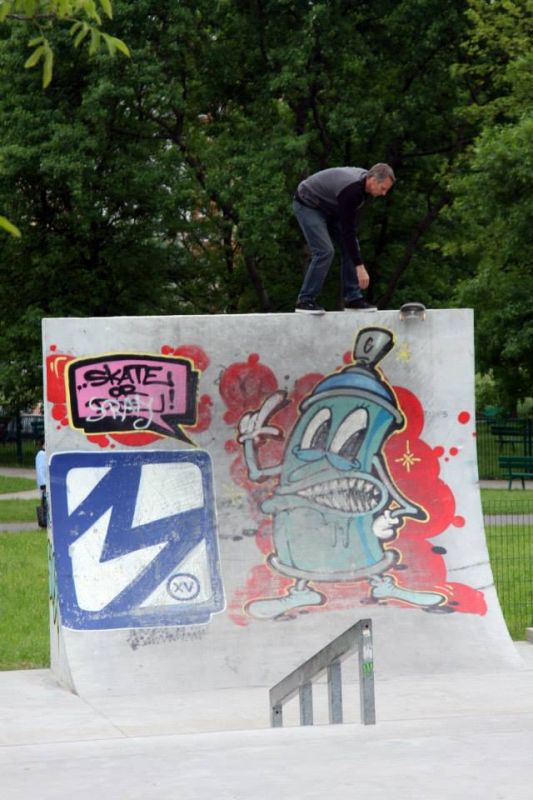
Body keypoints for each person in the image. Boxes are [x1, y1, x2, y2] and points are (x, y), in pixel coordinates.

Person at [293, 163, 395, 314]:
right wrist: (359, 267)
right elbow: (348, 230)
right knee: (325, 251)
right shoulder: (352, 190)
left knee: (351, 247)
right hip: (308, 204)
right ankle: (305, 300)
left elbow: (350, 231)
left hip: (330, 207)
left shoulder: (365, 187)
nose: (384, 193)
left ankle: (353, 298)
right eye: (383, 188)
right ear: (372, 180)